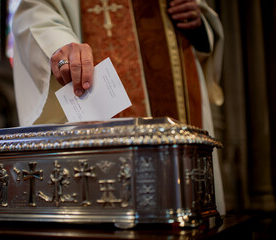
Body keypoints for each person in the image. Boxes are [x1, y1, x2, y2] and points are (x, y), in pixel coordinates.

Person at [12, 0, 225, 215]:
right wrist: (61, 46)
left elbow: (202, 17)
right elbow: (35, 11)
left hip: (180, 86)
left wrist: (200, 26)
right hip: (92, 102)